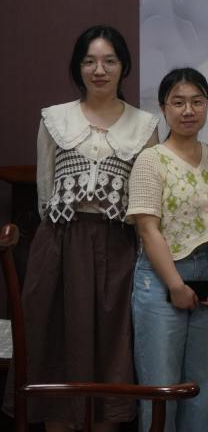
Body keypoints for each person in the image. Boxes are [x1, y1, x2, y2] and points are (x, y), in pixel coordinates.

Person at [2, 26, 158, 430]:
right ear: (78, 67)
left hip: (119, 247)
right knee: (55, 338)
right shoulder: (55, 118)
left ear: (124, 66)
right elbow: (44, 191)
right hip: (60, 243)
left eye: (109, 61)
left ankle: (108, 421)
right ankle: (57, 421)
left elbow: (147, 197)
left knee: (112, 341)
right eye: (89, 61)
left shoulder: (144, 125)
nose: (99, 70)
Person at [128, 68, 208, 432]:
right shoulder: (151, 159)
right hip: (162, 279)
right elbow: (147, 228)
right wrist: (175, 285)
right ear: (163, 107)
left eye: (196, 102)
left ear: (206, 106)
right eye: (178, 102)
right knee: (162, 387)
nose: (188, 110)